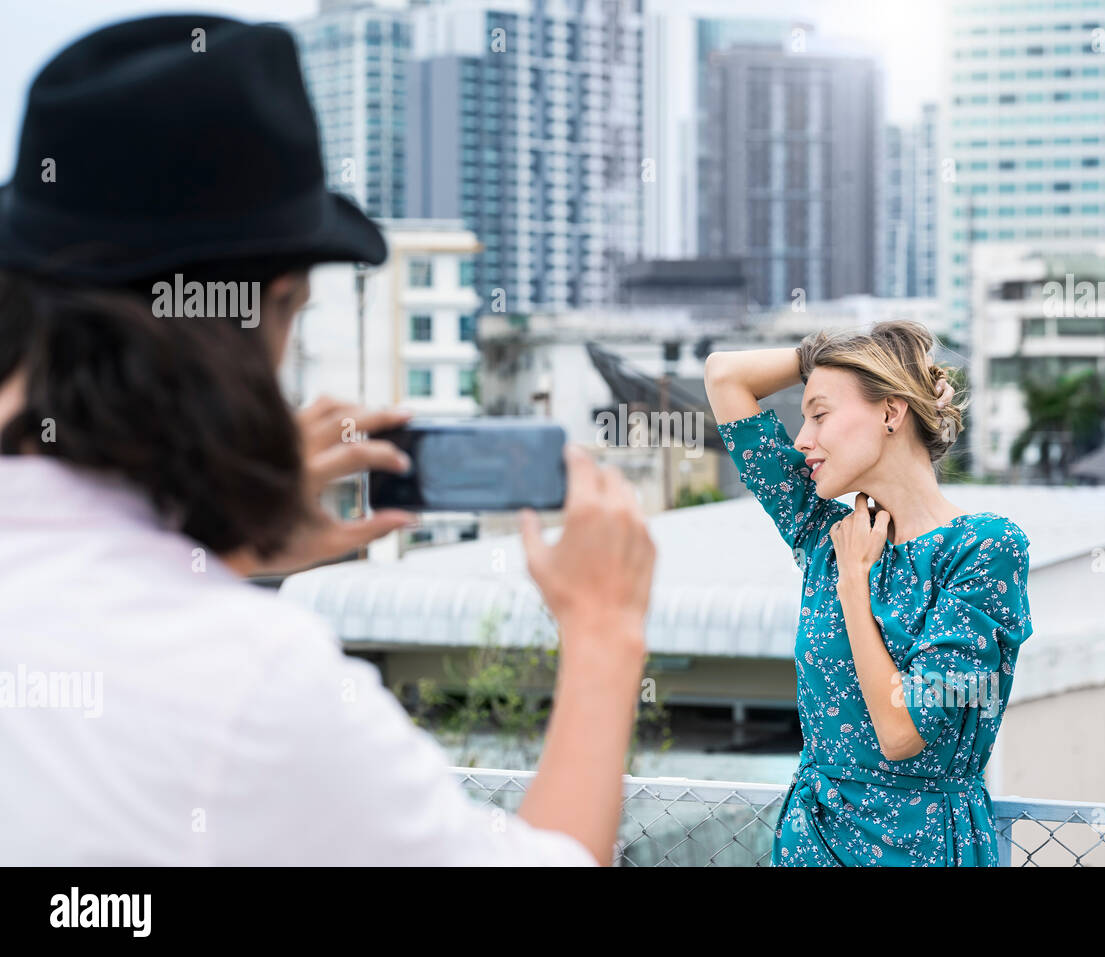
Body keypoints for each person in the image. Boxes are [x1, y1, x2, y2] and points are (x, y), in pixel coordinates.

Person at [0, 14, 653, 865]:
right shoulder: (256, 682)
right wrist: (606, 633)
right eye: (295, 316)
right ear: (261, 311)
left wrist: (211, 545)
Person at [703, 322, 1034, 866]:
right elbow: (725, 374)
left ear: (890, 413)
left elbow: (903, 733)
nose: (802, 439)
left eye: (820, 414)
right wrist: (824, 354)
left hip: (921, 848)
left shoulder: (985, 548)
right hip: (812, 844)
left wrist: (854, 586)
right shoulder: (823, 531)